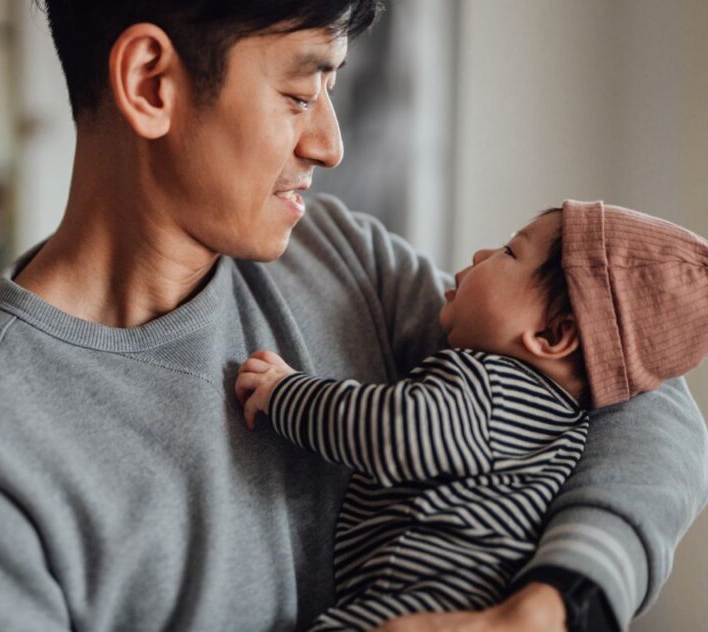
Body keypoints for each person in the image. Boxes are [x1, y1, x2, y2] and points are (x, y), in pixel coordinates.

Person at [0, 1, 708, 630]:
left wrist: (554, 607)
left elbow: (636, 386)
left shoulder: (339, 258)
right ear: (151, 83)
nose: (330, 143)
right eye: (301, 92)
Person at [236, 201, 708, 629]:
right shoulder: (562, 420)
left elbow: (399, 433)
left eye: (509, 252)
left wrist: (286, 393)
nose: (482, 254)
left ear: (551, 336)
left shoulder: (492, 384)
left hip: (415, 608)